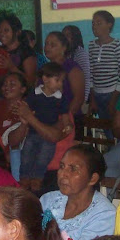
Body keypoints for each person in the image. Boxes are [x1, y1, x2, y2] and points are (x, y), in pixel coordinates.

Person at [40, 145, 116, 240]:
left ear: (92, 179)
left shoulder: (104, 215)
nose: (63, 174)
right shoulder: (48, 199)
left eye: (73, 169)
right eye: (62, 166)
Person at [14, 62, 72, 192]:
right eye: (57, 80)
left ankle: (37, 178)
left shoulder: (60, 98)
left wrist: (67, 124)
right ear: (45, 79)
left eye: (61, 81)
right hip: (33, 132)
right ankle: (24, 177)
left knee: (44, 157)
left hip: (49, 131)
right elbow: (26, 108)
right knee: (27, 155)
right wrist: (24, 117)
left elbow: (64, 115)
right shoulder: (35, 94)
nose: (60, 84)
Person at [89, 10, 120, 127]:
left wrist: (114, 99)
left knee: (117, 126)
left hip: (113, 94)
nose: (94, 26)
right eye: (93, 23)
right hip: (97, 95)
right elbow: (91, 73)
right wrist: (93, 98)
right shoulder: (91, 45)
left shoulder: (117, 45)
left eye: (99, 23)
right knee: (105, 126)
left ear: (109, 25)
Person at [0, 71, 28, 177]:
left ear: (23, 89)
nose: (7, 87)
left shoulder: (27, 109)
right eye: (5, 84)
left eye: (12, 84)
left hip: (16, 157)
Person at [44, 31, 85, 118]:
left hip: (69, 120)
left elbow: (78, 99)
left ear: (64, 48)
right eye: (46, 44)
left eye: (52, 45)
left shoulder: (73, 69)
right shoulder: (45, 69)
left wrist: (64, 119)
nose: (47, 47)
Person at [0, 13, 38, 87]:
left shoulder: (27, 52)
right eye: (0, 31)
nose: (2, 34)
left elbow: (31, 82)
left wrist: (12, 67)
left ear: (17, 32)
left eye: (6, 30)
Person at [63, 24, 91, 106]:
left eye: (67, 35)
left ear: (75, 37)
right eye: (63, 35)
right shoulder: (66, 54)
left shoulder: (80, 53)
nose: (64, 38)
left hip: (79, 102)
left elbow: (86, 78)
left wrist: (83, 101)